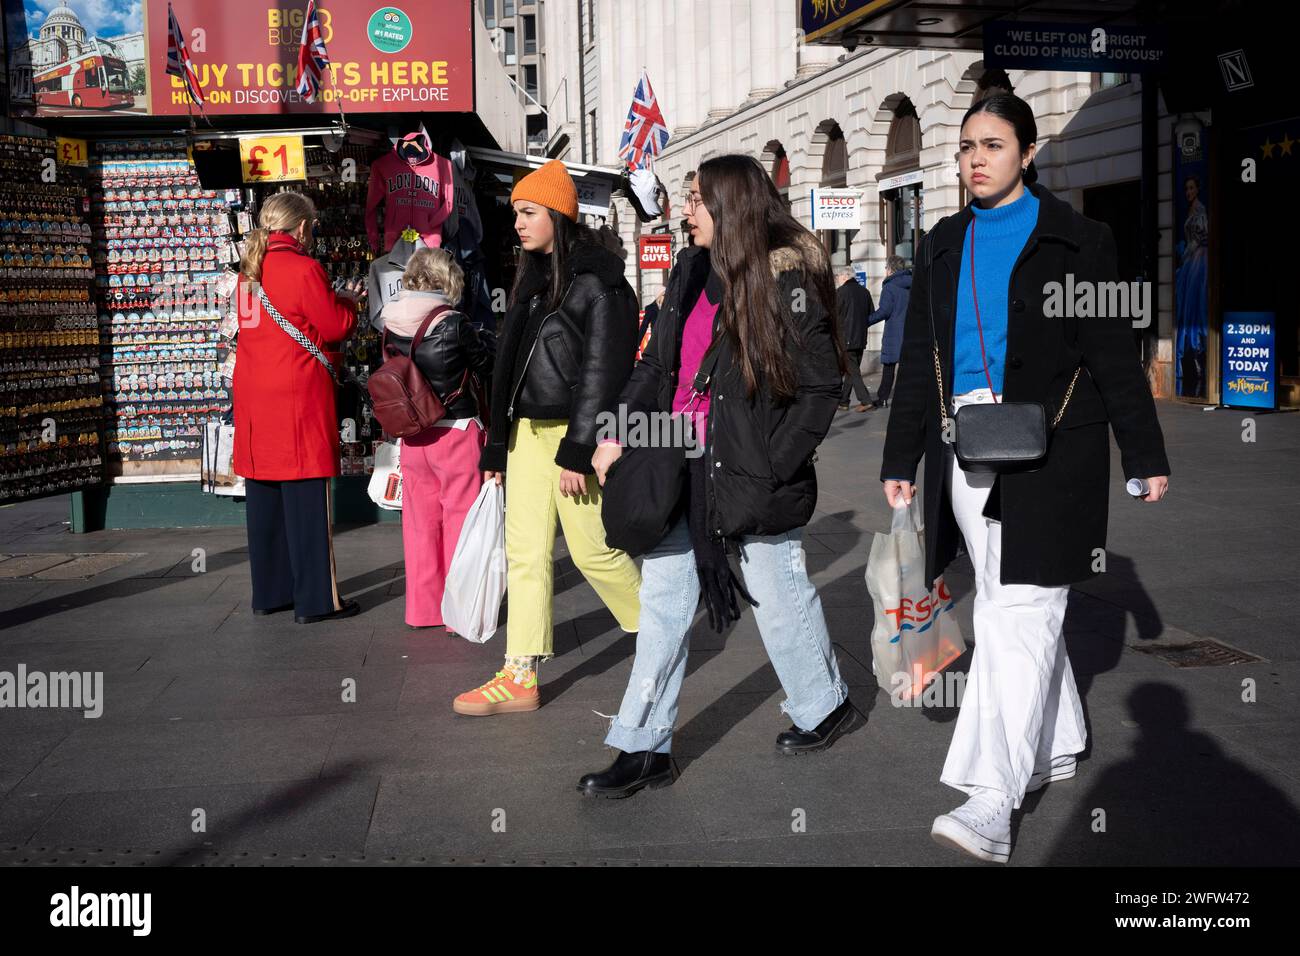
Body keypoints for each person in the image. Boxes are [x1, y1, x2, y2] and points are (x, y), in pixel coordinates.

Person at [880, 92, 1171, 863]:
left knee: (1018, 616)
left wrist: (1144, 456)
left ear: (1028, 153)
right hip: (961, 453)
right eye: (968, 146)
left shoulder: (1081, 241)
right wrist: (896, 460)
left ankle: (992, 797)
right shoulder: (941, 243)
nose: (977, 159)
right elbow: (920, 361)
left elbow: (1112, 355)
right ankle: (1060, 738)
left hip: (1053, 458)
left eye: (995, 145)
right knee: (1013, 610)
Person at [580, 154, 854, 798]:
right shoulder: (688, 271)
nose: (686, 210)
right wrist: (619, 430)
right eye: (685, 197)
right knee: (664, 602)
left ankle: (824, 704)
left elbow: (821, 386)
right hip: (679, 454)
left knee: (778, 592)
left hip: (746, 465)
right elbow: (658, 370)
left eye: (698, 199)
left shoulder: (783, 278)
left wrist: (773, 464)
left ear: (732, 205)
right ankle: (643, 746)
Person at [454, 160, 642, 715]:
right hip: (526, 437)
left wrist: (580, 449)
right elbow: (508, 370)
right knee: (526, 555)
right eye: (515, 212)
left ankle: (660, 625)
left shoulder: (600, 284)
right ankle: (520, 673)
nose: (518, 222)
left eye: (529, 212)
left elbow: (603, 374)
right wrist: (496, 446)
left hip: (571, 436)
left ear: (559, 214)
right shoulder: (532, 281)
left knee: (593, 553)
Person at [233, 191, 362, 624]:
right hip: (296, 396)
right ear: (302, 227)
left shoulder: (247, 272)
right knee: (307, 499)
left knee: (265, 498)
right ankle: (316, 601)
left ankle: (271, 592)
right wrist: (348, 301)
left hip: (254, 398)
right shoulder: (305, 268)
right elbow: (332, 326)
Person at [380, 248, 494, 630]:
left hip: (414, 436)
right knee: (460, 520)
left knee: (419, 524)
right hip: (457, 431)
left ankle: (423, 610)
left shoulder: (390, 322)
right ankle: (458, 612)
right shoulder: (454, 323)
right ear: (448, 279)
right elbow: (486, 366)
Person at [867, 254, 912, 408]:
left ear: (891, 269)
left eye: (886, 267)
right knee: (908, 369)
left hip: (894, 333)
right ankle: (907, 398)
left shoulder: (890, 287)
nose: (885, 270)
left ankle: (882, 398)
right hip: (909, 332)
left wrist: (866, 321)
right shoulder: (912, 284)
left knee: (889, 368)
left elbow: (884, 311)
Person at [835, 265, 875, 411]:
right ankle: (843, 401)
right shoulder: (865, 292)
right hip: (861, 338)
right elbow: (871, 314)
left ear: (845, 276)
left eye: (838, 276)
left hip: (846, 338)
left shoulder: (840, 292)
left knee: (853, 371)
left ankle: (865, 400)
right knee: (851, 371)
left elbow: (833, 315)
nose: (837, 279)